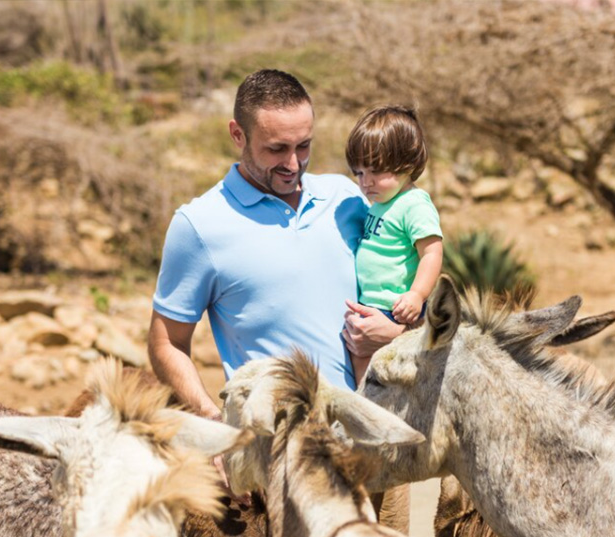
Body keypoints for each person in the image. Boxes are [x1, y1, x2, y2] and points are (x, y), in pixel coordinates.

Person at [147, 70, 406, 506]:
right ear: (237, 135)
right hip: (281, 461)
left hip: (372, 448)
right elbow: (166, 343)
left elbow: (396, 286)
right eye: (276, 149)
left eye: (304, 145)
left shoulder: (347, 197)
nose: (293, 163)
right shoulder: (199, 226)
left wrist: (395, 334)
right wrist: (213, 424)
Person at [344, 105, 443, 384]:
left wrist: (417, 295)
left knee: (392, 378)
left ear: (407, 164)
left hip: (398, 309)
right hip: (370, 305)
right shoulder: (380, 203)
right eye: (359, 172)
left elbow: (432, 252)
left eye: (375, 170)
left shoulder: (414, 204)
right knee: (362, 366)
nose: (366, 182)